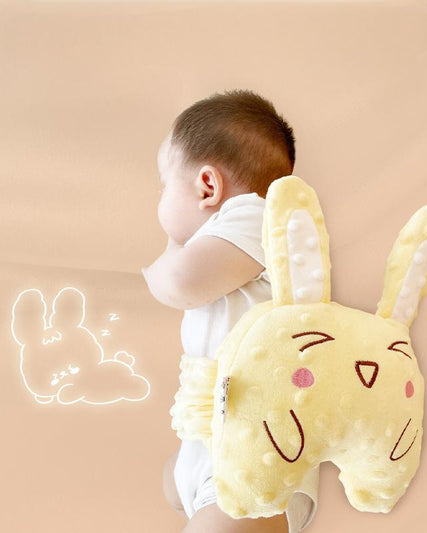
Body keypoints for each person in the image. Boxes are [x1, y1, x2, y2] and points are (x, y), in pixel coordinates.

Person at [141, 89, 318, 533]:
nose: (161, 198)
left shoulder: (257, 216)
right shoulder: (233, 240)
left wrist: (162, 259)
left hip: (257, 458)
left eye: (165, 184)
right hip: (220, 448)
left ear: (208, 186)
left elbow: (179, 284)